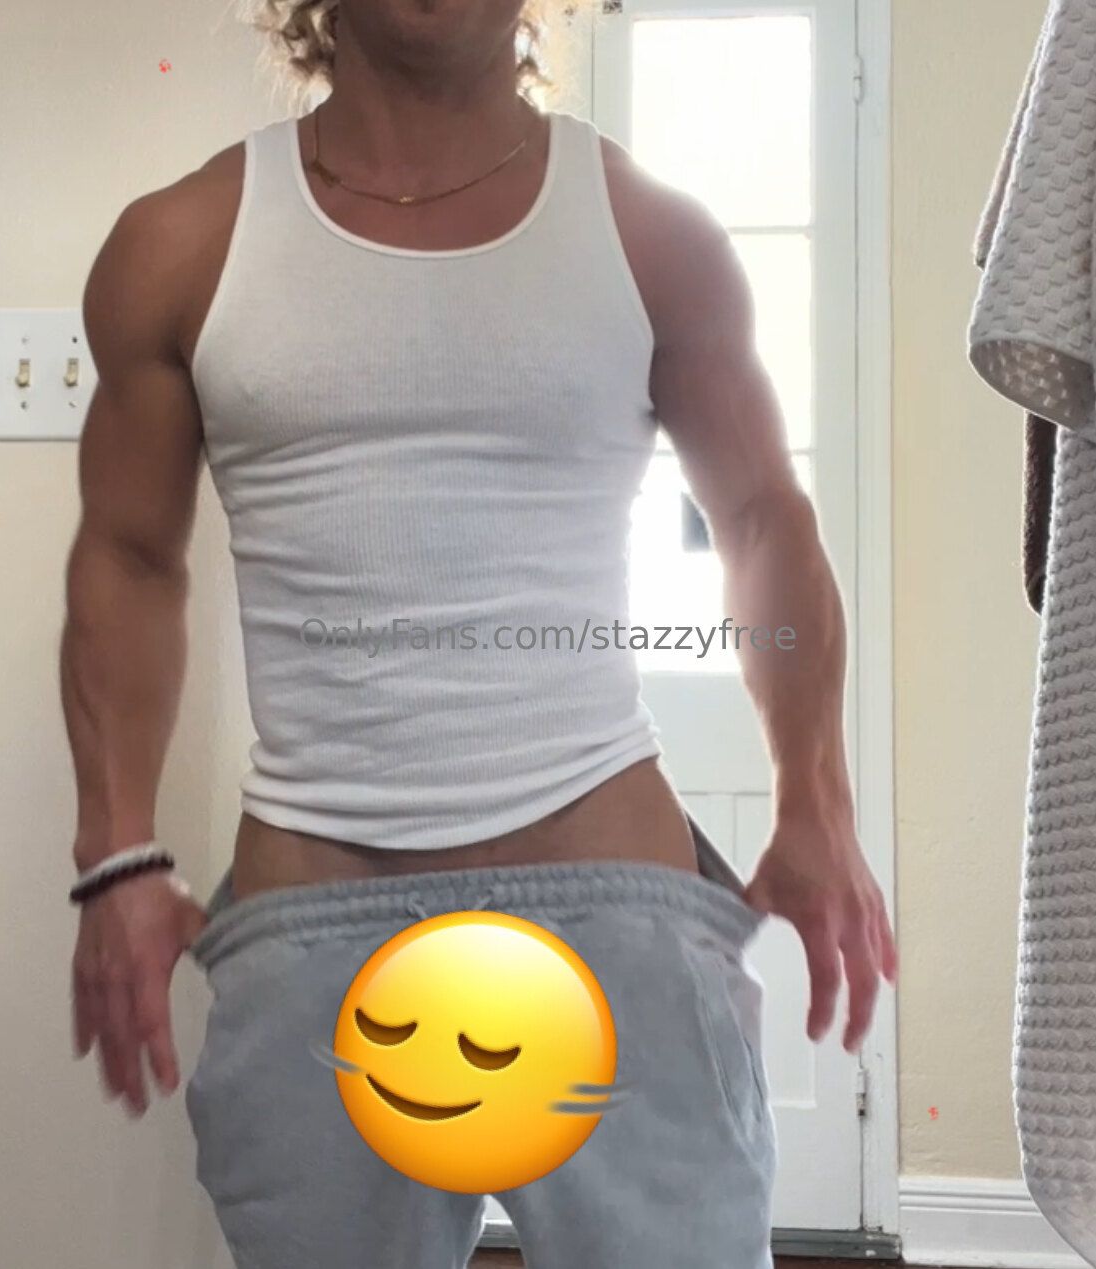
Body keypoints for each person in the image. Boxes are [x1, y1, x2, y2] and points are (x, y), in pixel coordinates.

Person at [62, 1, 898, 1265]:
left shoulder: (650, 235)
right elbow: (128, 558)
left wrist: (816, 805)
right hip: (314, 933)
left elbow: (761, 519)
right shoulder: (178, 244)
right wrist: (114, 855)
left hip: (614, 912)